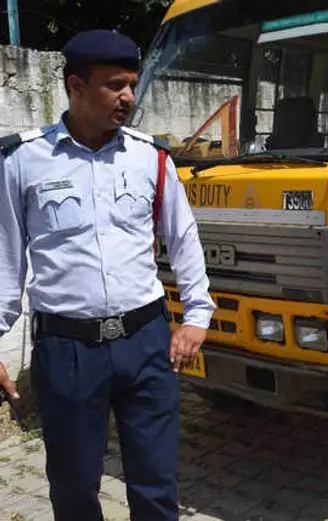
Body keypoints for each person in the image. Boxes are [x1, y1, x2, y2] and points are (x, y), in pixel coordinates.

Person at [0, 30, 216, 521]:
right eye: (114, 85)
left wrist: (197, 315)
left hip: (147, 343)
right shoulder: (22, 161)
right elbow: (5, 261)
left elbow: (183, 238)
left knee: (156, 486)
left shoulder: (150, 157)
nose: (128, 97)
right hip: (68, 351)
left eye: (132, 85)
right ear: (76, 86)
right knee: (74, 489)